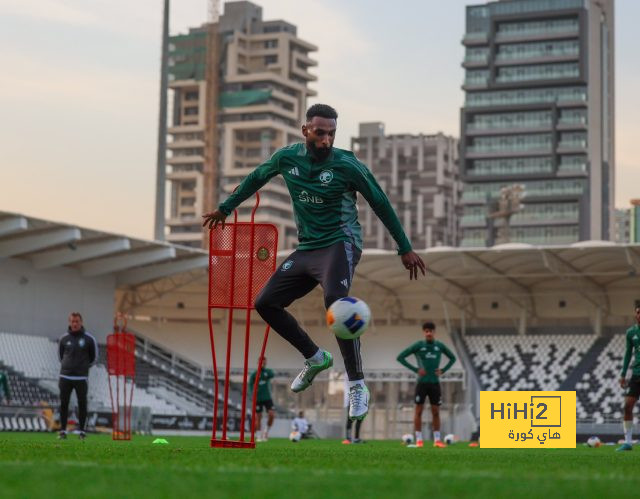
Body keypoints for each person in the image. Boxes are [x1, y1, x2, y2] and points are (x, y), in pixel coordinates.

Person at [203, 104, 426, 422]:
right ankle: (315, 357)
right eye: (320, 132)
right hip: (308, 249)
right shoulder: (287, 158)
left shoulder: (347, 165)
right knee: (265, 303)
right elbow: (256, 178)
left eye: (332, 133)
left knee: (337, 302)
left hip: (341, 244)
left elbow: (380, 202)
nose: (326, 139)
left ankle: (357, 385)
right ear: (305, 129)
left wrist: (404, 248)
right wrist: (225, 208)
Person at [396, 322, 456, 448]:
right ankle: (419, 440)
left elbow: (452, 358)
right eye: (426, 331)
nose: (428, 333)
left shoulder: (439, 346)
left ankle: (437, 441)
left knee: (436, 412)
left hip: (435, 384)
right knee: (418, 411)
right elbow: (400, 357)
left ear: (434, 332)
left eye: (431, 331)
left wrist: (443, 370)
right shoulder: (419, 345)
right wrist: (415, 369)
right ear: (424, 332)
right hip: (421, 384)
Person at [58, 312, 98, 440]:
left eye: (77, 321)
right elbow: (60, 357)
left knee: (82, 404)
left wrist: (83, 368)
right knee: (64, 404)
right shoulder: (63, 339)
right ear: (69, 322)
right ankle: (62, 431)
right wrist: (68, 367)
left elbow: (94, 358)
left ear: (81, 323)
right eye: (72, 321)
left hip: (81, 378)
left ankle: (82, 432)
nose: (75, 324)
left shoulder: (89, 339)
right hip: (65, 377)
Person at [618, 305, 640, 451]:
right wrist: (623, 374)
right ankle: (628, 442)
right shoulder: (631, 332)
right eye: (638, 312)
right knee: (627, 406)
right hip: (637, 374)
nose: (639, 315)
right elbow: (627, 354)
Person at [249, 357, 275, 441]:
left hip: (267, 397)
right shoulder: (254, 374)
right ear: (258, 363)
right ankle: (258, 435)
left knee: (271, 414)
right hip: (258, 398)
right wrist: (252, 396)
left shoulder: (267, 372)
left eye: (264, 362)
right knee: (258, 417)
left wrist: (264, 370)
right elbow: (250, 386)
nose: (263, 364)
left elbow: (272, 374)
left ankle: (266, 432)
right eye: (261, 362)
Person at [342, 377, 363, 444]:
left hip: (359, 401)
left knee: (359, 419)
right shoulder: (348, 376)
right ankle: (348, 438)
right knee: (350, 419)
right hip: (351, 401)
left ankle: (356, 438)